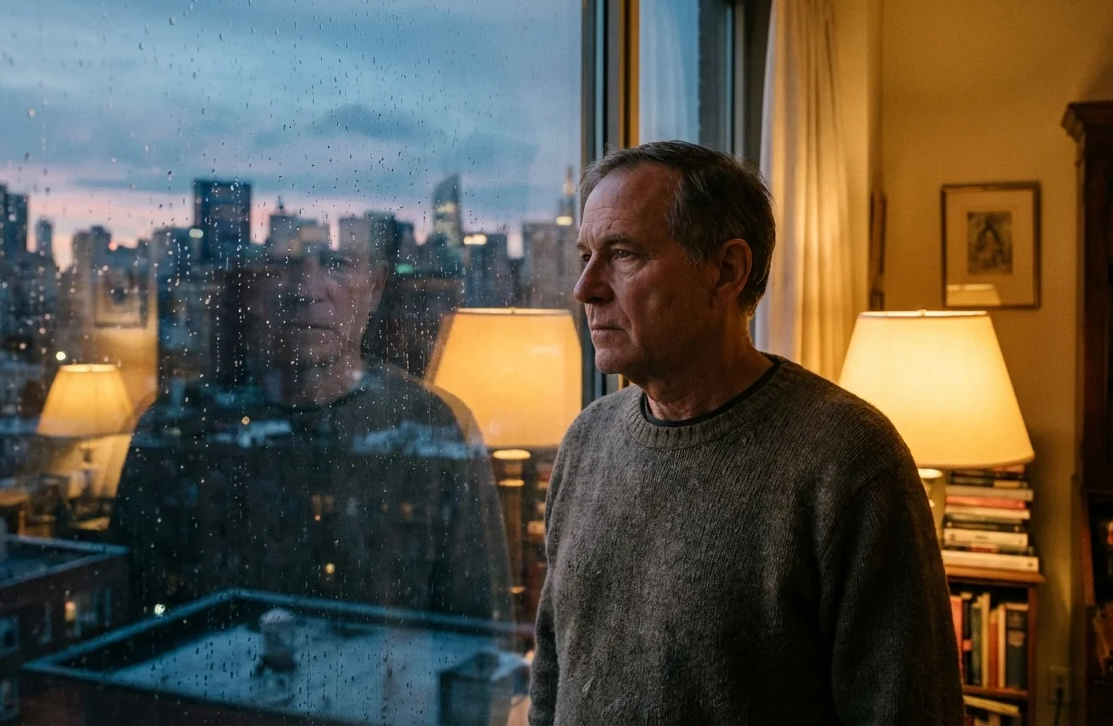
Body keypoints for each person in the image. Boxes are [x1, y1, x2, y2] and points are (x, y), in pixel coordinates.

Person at [529, 141, 964, 724]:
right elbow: (552, 678)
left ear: (727, 270)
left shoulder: (850, 461)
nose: (585, 288)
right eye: (585, 255)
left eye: (623, 254)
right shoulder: (586, 442)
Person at [110, 233, 511, 623]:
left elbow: (476, 620)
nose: (305, 290)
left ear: (374, 288)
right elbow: (131, 607)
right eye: (281, 265)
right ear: (248, 289)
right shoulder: (181, 425)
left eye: (337, 264)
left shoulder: (429, 423)